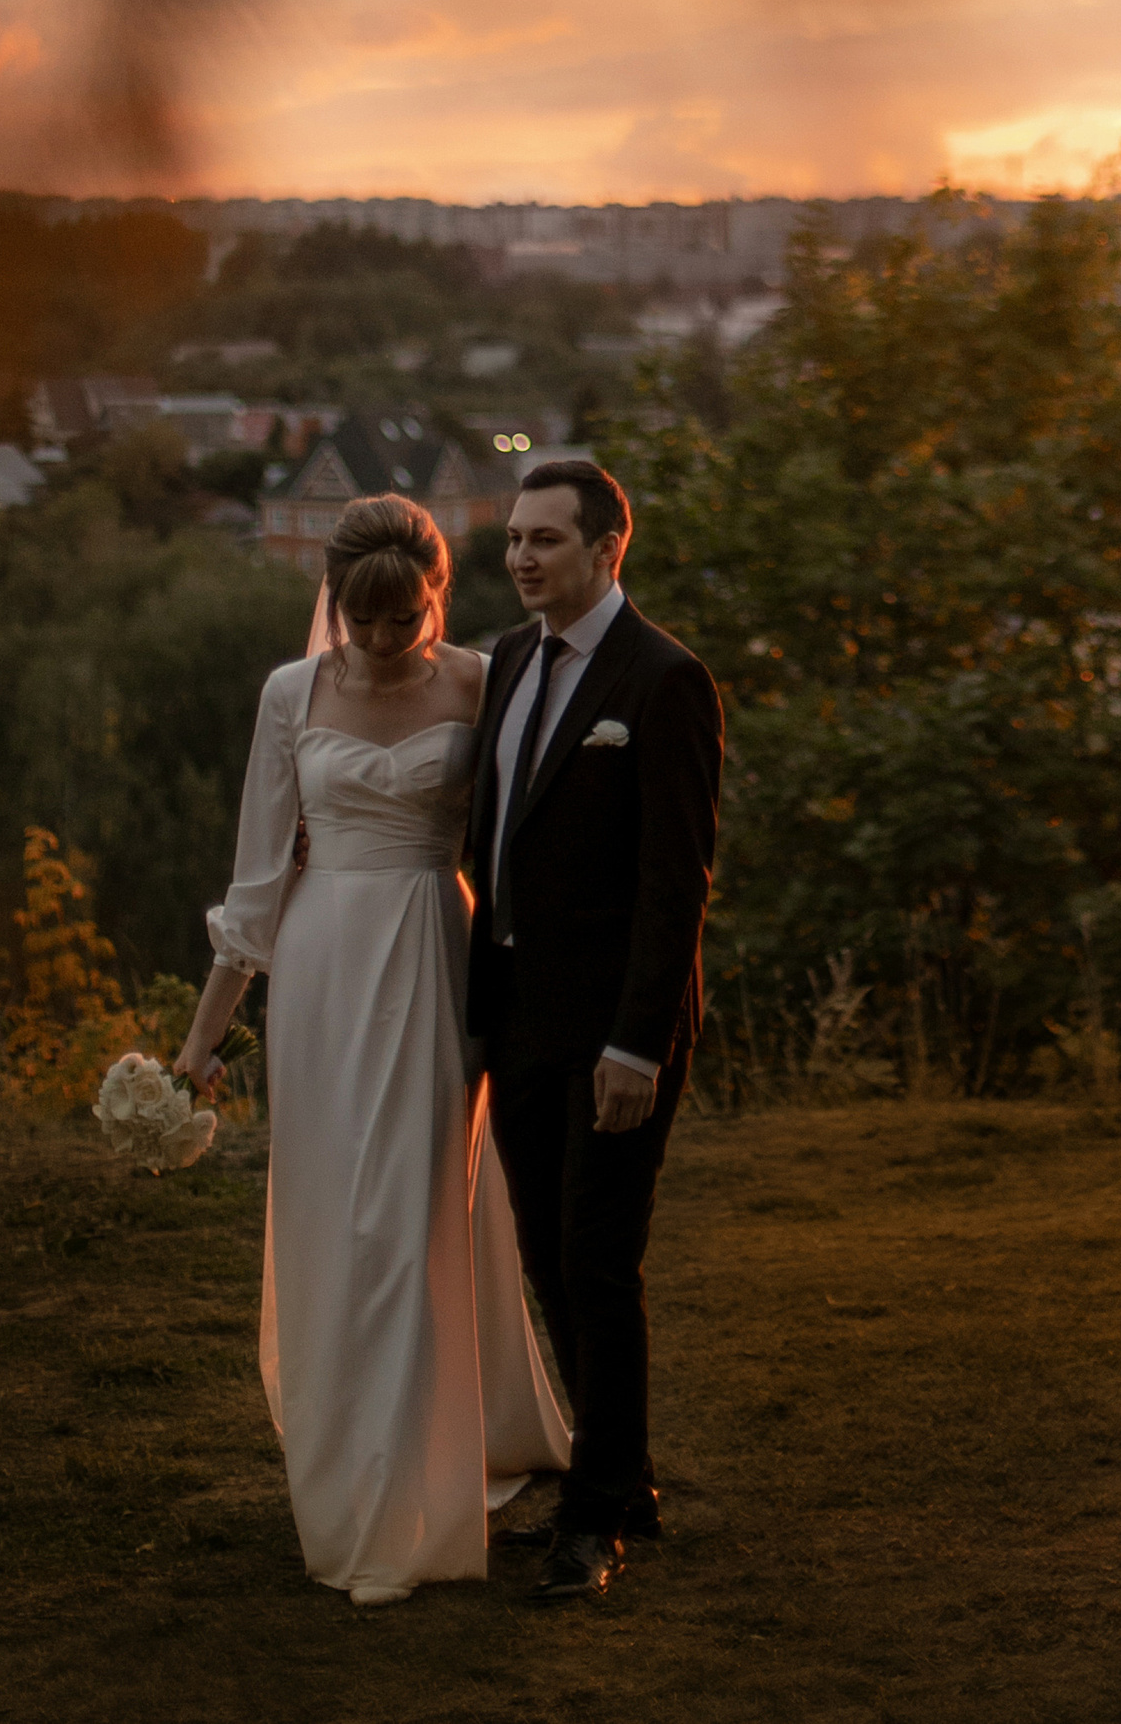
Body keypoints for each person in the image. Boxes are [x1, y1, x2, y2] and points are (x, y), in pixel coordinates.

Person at [172, 495, 570, 1606]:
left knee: (410, 1215)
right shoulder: (288, 693)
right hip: (322, 970)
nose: (385, 639)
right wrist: (200, 1043)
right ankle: (346, 1457)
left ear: (436, 596)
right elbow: (256, 885)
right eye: (364, 620)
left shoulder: (484, 682)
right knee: (331, 1219)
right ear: (334, 603)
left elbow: (513, 851)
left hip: (436, 961)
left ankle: (415, 1486)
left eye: (406, 618)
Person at [470, 457, 724, 1605]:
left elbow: (679, 882)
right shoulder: (509, 661)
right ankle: (625, 1480)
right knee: (543, 1256)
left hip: (618, 1032)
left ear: (607, 549)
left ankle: (592, 1518)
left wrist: (638, 1043)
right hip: (518, 1020)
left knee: (596, 1260)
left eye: (547, 540)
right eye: (515, 538)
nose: (523, 557)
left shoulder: (665, 679)